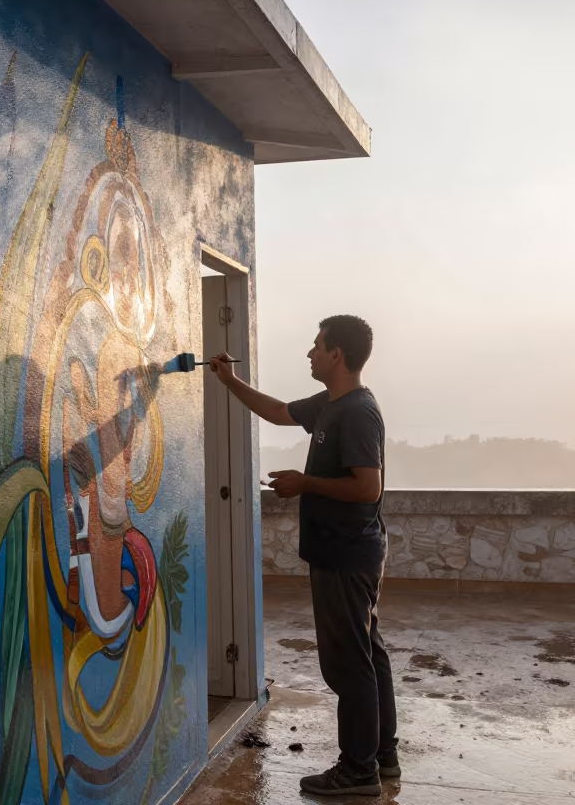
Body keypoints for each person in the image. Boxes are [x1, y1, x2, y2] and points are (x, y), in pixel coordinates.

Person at [209, 314, 397, 797]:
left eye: (317, 346)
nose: (310, 353)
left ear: (338, 355)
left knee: (347, 664)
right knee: (367, 655)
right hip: (345, 552)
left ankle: (358, 772)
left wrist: (304, 482)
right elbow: (275, 412)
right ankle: (381, 755)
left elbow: (366, 486)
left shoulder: (356, 411)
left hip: (346, 555)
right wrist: (229, 379)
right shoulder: (330, 404)